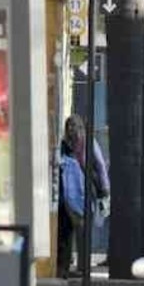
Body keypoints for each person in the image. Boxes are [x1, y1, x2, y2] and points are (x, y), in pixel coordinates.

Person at [57, 115, 110, 276]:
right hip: (75, 193)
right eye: (70, 127)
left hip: (78, 193)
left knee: (75, 232)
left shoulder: (79, 143)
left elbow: (99, 166)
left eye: (74, 126)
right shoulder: (72, 144)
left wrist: (104, 187)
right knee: (75, 232)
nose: (72, 130)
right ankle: (73, 268)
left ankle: (74, 268)